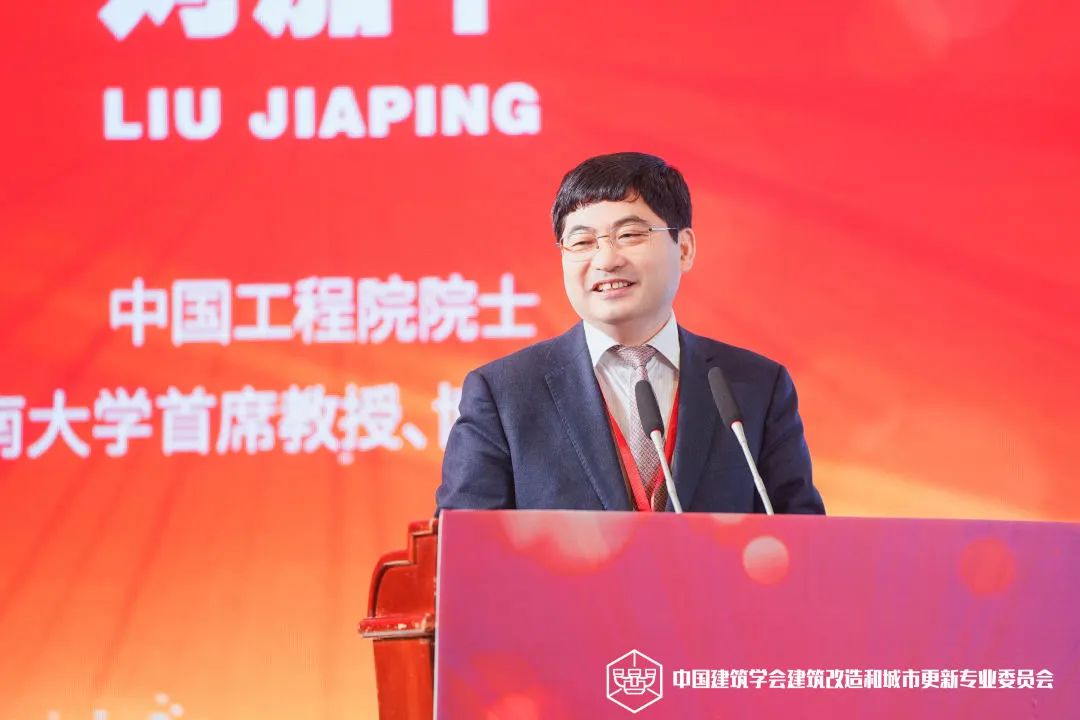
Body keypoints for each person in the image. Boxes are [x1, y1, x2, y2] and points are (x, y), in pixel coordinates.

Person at [436, 152, 824, 514]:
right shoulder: (505, 394)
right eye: (582, 242)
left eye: (630, 235)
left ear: (684, 248)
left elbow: (805, 541)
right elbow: (461, 548)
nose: (606, 260)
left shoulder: (755, 387)